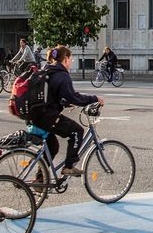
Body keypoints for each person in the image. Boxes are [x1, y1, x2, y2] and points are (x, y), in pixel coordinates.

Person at [31, 46, 104, 176]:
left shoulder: (48, 69)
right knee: (77, 131)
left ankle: (40, 179)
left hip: (36, 115)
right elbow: (73, 96)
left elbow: (53, 94)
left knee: (52, 147)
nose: (71, 61)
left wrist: (65, 103)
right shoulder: (62, 74)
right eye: (71, 59)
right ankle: (69, 167)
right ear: (65, 59)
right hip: (47, 117)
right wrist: (94, 99)